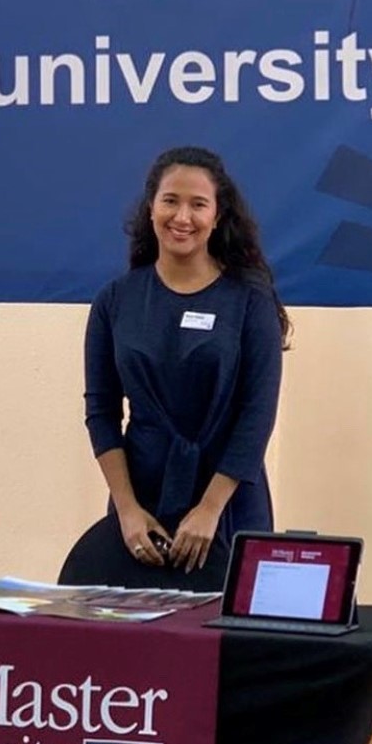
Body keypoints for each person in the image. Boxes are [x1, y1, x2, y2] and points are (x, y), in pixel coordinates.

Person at [69, 146, 290, 592]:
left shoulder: (250, 302)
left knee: (227, 631)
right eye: (170, 200)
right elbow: (101, 413)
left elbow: (257, 415)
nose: (182, 217)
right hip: (141, 509)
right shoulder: (114, 301)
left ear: (217, 215)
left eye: (198, 204)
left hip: (229, 504)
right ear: (151, 207)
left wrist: (209, 510)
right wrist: (126, 510)